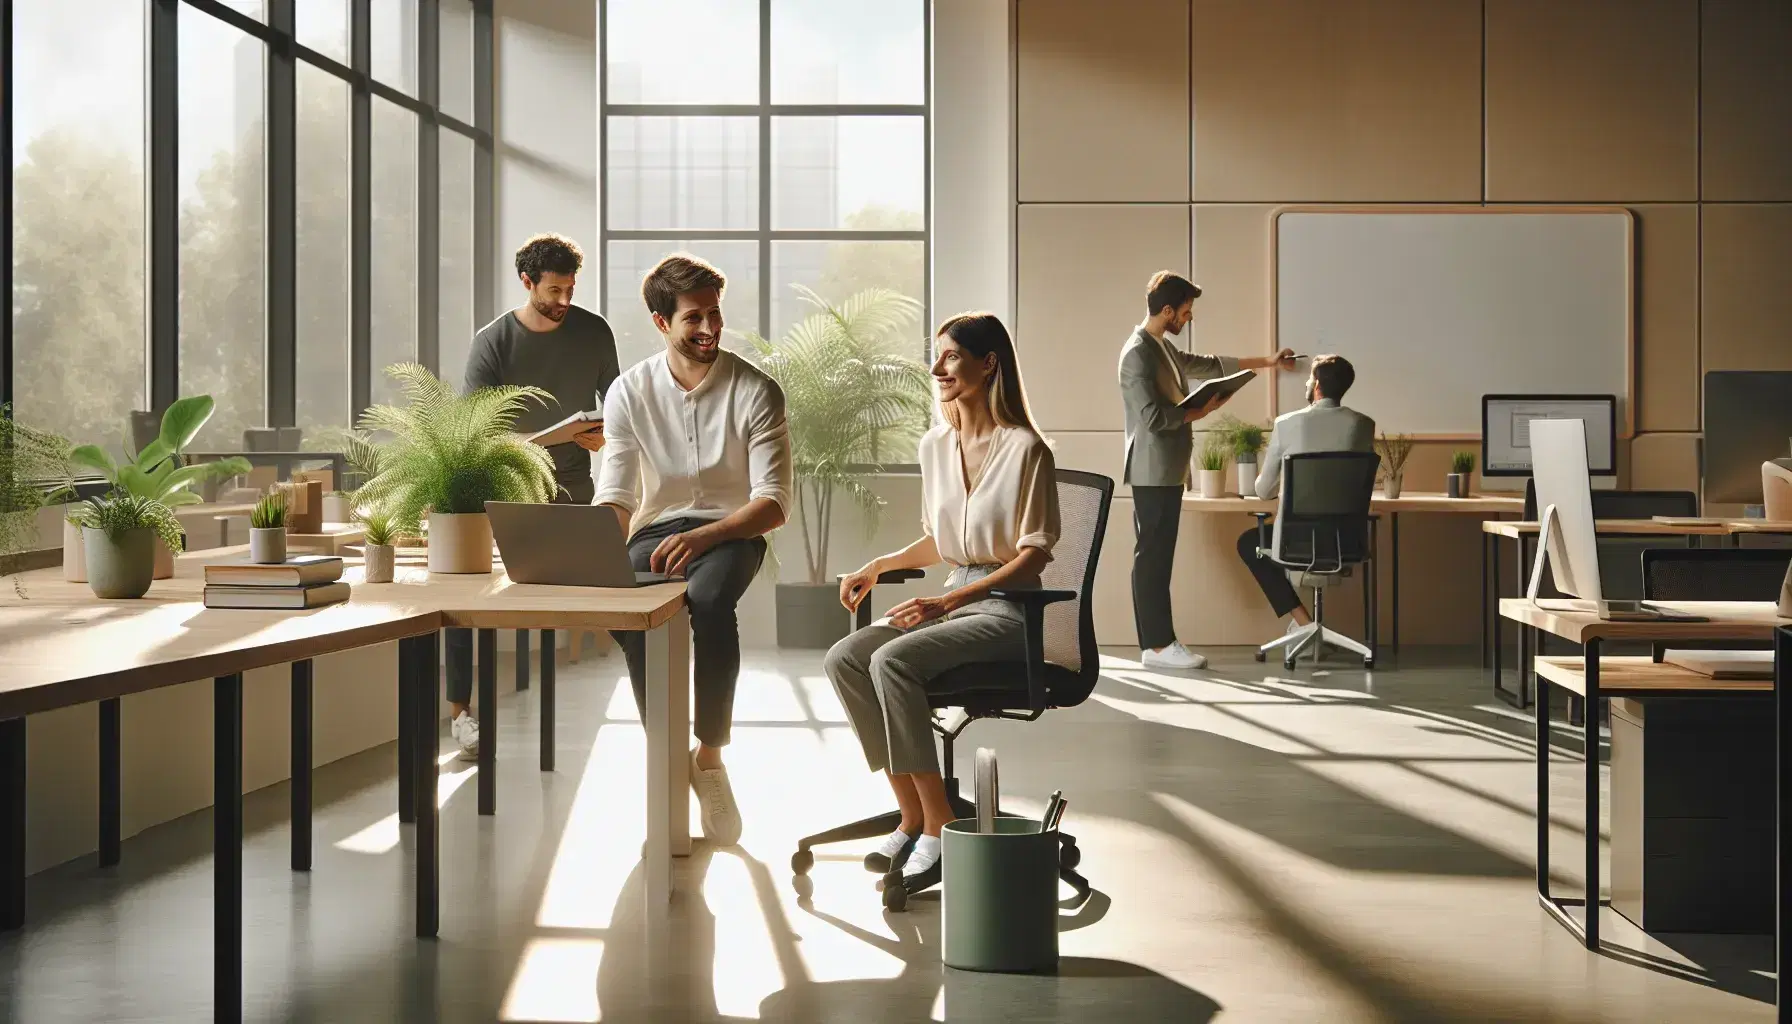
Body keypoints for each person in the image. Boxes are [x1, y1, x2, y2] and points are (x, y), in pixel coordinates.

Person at [826, 312, 1059, 897]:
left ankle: (940, 821)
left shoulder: (1027, 449)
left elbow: (1031, 557)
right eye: (937, 356)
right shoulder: (935, 445)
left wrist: (949, 599)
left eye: (952, 356)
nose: (937, 369)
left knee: (893, 661)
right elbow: (940, 539)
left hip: (1007, 610)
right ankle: (909, 814)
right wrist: (879, 564)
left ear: (989, 363)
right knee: (847, 658)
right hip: (954, 595)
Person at [594, 253, 791, 847]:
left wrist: (706, 535)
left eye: (714, 315)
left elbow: (774, 502)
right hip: (655, 532)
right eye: (693, 319)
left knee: (707, 602)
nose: (709, 329)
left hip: (733, 531)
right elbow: (618, 493)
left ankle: (708, 757)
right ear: (661, 322)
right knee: (622, 605)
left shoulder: (756, 389)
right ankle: (666, 743)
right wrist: (597, 547)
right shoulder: (630, 391)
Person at [447, 233, 620, 760]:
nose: (565, 300)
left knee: (572, 601)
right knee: (465, 599)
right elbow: (474, 432)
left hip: (571, 486)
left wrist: (600, 433)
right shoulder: (493, 342)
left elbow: (619, 405)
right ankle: (461, 714)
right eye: (554, 290)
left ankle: (564, 719)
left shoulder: (594, 332)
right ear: (526, 283)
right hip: (504, 489)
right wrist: (543, 440)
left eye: (571, 288)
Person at [1118, 271, 1293, 670]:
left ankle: (1158, 645)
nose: (1189, 318)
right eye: (1185, 312)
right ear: (1167, 311)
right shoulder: (1137, 353)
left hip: (1168, 469)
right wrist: (1199, 411)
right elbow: (1151, 418)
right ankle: (1158, 647)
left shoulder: (1161, 347)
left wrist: (1265, 363)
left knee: (1158, 556)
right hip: (1152, 469)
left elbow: (1209, 365)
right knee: (1152, 558)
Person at [1235, 354, 1376, 629]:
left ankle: (1302, 621)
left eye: (1309, 378)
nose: (1307, 383)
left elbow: (1263, 492)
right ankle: (1307, 625)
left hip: (1295, 542)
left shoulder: (1287, 424)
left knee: (1247, 543)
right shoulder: (1364, 425)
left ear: (1318, 386)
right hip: (1346, 541)